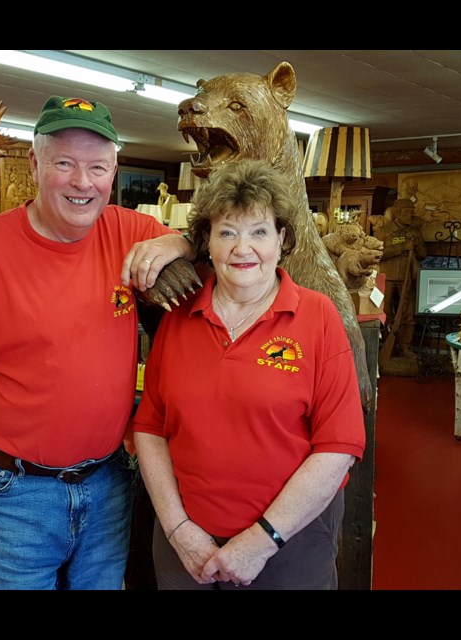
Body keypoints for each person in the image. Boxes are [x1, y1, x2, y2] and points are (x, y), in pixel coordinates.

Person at [0, 95, 194, 590]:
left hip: (108, 484)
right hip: (7, 495)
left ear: (113, 170)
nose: (82, 182)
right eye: (63, 163)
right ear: (34, 163)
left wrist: (177, 242)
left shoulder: (130, 232)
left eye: (97, 167)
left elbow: (210, 237)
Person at [131, 159, 366, 590]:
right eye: (227, 232)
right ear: (206, 243)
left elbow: (339, 445)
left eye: (258, 231)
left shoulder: (317, 315)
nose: (243, 249)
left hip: (290, 541)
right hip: (186, 543)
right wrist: (178, 529)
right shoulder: (180, 316)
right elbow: (149, 428)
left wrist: (262, 540)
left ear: (280, 239)